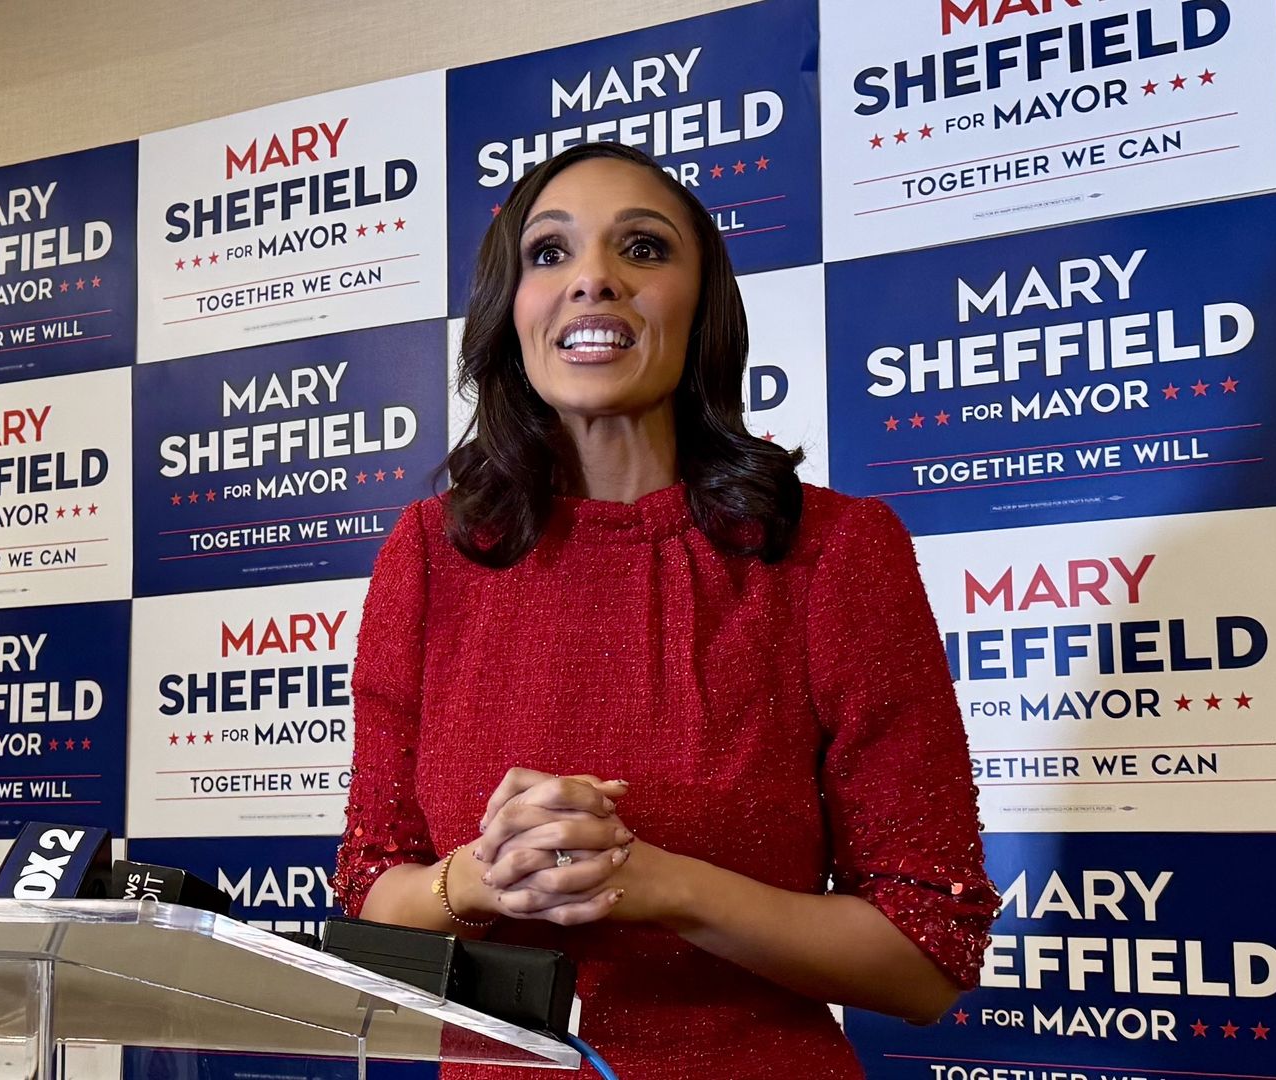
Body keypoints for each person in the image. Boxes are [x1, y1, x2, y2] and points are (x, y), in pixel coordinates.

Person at [331, 142, 998, 1079]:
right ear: (508, 310)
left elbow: (928, 953)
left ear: (703, 307)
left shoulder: (832, 551)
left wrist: (656, 884)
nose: (593, 279)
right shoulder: (430, 555)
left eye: (641, 249)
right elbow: (369, 894)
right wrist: (493, 873)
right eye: (549, 253)